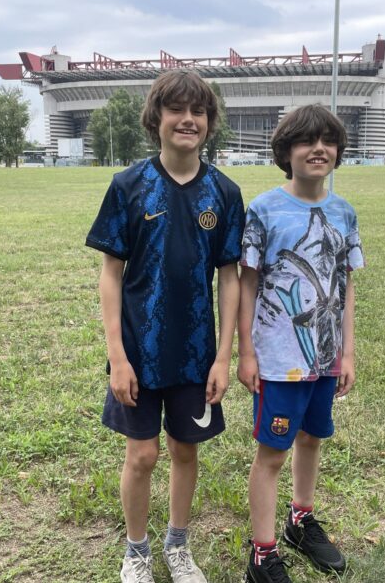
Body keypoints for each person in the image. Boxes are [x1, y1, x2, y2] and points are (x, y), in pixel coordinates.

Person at [85, 70, 244, 583]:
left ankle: (178, 545)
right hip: (139, 350)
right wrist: (118, 356)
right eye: (177, 110)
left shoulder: (224, 191)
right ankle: (136, 551)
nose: (188, 120)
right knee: (142, 454)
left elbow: (229, 277)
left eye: (198, 111)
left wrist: (223, 356)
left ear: (209, 122)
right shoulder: (129, 186)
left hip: (196, 353)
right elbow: (111, 274)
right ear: (157, 119)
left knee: (183, 449)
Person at [237, 104, 364, 582]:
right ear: (285, 153)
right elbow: (247, 283)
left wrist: (348, 351)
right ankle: (263, 553)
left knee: (312, 438)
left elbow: (347, 284)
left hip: (325, 358)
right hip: (279, 362)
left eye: (328, 142)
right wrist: (245, 351)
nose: (319, 149)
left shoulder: (344, 212)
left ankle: (300, 520)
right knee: (273, 452)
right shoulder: (265, 209)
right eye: (306, 142)